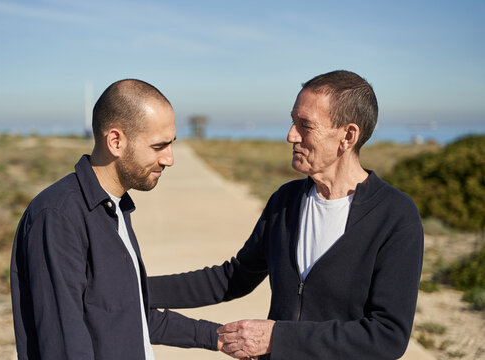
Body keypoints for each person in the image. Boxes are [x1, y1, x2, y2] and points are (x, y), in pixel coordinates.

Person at [148, 70, 424, 360]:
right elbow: (233, 278)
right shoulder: (286, 201)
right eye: (293, 121)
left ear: (348, 136)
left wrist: (278, 337)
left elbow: (387, 336)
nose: (291, 135)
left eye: (305, 125)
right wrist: (134, 285)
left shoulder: (396, 216)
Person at [10, 79, 221, 359]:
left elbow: (126, 314)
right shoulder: (59, 216)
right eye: (159, 146)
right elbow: (63, 345)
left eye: (171, 144)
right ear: (116, 141)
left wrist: (218, 337)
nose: (169, 159)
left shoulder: (115, 207)